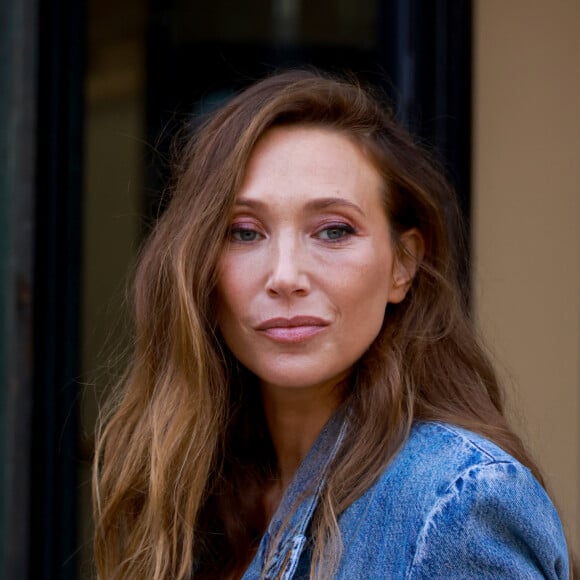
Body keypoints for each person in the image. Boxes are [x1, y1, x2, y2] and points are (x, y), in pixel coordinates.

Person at [93, 70, 570, 579]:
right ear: (199, 269)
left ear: (403, 265)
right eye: (244, 232)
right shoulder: (197, 493)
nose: (284, 276)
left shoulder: (457, 502)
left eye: (334, 230)